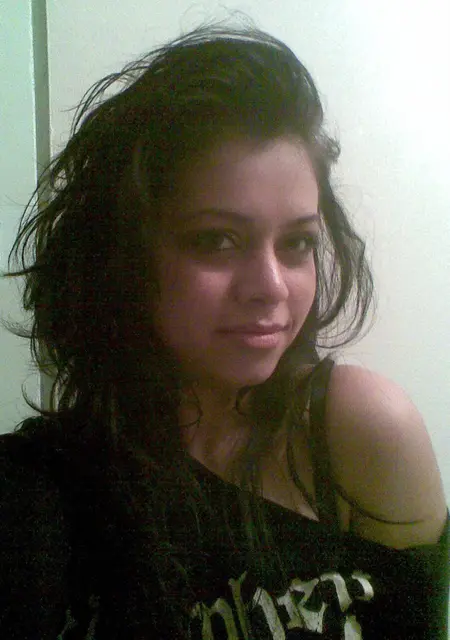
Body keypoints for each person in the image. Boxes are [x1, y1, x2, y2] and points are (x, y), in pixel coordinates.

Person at [0, 22, 448, 640]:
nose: (271, 286)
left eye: (297, 243)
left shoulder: (358, 431)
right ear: (125, 254)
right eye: (216, 240)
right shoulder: (47, 487)